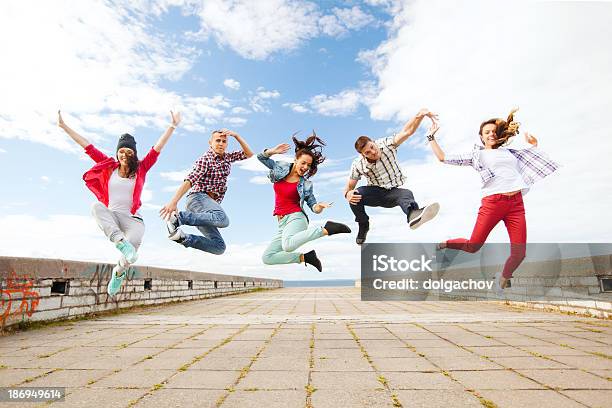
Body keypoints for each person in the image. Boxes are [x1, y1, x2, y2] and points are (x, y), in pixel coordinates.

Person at [427, 108, 559, 293]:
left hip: (516, 205)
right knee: (473, 246)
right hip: (492, 203)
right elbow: (443, 158)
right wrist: (431, 137)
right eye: (486, 132)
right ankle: (446, 243)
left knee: (519, 253)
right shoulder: (477, 156)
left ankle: (503, 278)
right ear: (481, 137)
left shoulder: (511, 153)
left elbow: (529, 160)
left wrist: (534, 145)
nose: (491, 134)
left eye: (493, 131)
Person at [58, 110, 180, 296]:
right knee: (96, 207)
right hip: (112, 216)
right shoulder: (108, 165)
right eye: (121, 151)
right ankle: (119, 242)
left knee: (135, 245)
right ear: (117, 153)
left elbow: (158, 148)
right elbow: (87, 146)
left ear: (134, 154)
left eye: (128, 151)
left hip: (133, 219)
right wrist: (64, 126)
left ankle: (118, 272)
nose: (124, 155)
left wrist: (172, 126)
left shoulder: (142, 168)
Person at [343, 109, 441, 245]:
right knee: (355, 194)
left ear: (374, 142)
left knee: (406, 193)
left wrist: (419, 115)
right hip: (375, 193)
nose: (373, 152)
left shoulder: (387, 144)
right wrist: (347, 194)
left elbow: (407, 131)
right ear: (362, 155)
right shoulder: (358, 164)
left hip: (392, 193)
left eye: (372, 147)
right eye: (367, 152)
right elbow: (349, 187)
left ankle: (413, 214)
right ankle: (363, 224)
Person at [258, 133, 351, 272]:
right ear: (296, 160)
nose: (306, 167)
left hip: (296, 218)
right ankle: (306, 258)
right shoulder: (281, 168)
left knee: (288, 246)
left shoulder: (306, 184)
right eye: (303, 163)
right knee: (267, 257)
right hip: (282, 222)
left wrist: (319, 206)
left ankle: (327, 229)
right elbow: (261, 157)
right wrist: (272, 151)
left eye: (308, 165)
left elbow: (313, 207)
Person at [160, 129, 252, 255]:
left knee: (219, 247)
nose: (221, 144)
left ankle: (183, 238)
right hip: (197, 199)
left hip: (204, 211)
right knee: (222, 219)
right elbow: (190, 180)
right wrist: (173, 202)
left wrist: (237, 135)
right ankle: (178, 218)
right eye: (218, 140)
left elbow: (249, 154)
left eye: (224, 141)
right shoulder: (206, 159)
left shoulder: (227, 158)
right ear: (210, 143)